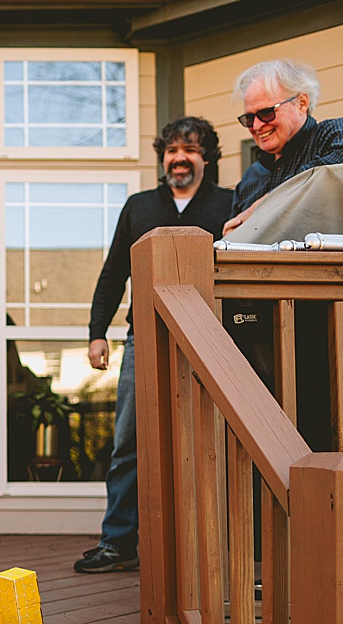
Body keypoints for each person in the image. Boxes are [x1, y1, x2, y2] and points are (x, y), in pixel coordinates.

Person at [75, 117, 233, 574]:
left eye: (190, 150)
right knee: (128, 443)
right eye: (171, 150)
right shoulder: (139, 206)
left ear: (207, 157)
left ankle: (209, 546)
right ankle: (119, 543)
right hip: (142, 335)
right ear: (163, 157)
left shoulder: (230, 203)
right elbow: (113, 273)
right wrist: (97, 331)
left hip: (213, 338)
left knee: (209, 439)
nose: (179, 158)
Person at [223, 59, 343, 236]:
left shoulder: (337, 132)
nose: (256, 126)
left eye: (266, 113)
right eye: (249, 118)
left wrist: (262, 208)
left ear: (301, 103)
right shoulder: (251, 178)